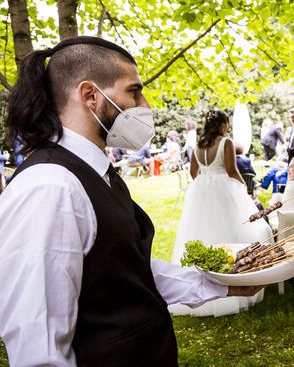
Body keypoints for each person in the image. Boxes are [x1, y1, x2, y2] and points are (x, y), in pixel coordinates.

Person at [0, 36, 261, 366]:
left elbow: (124, 269)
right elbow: (39, 344)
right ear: (90, 96)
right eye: (134, 91)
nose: (146, 105)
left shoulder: (96, 172)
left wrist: (222, 285)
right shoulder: (52, 189)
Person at [171, 109, 272, 317]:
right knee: (229, 232)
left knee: (202, 232)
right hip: (222, 189)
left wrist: (203, 184)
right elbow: (231, 170)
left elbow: (193, 172)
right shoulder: (226, 143)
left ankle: (203, 287)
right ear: (223, 125)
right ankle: (232, 283)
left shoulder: (198, 145)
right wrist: (244, 188)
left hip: (201, 191)